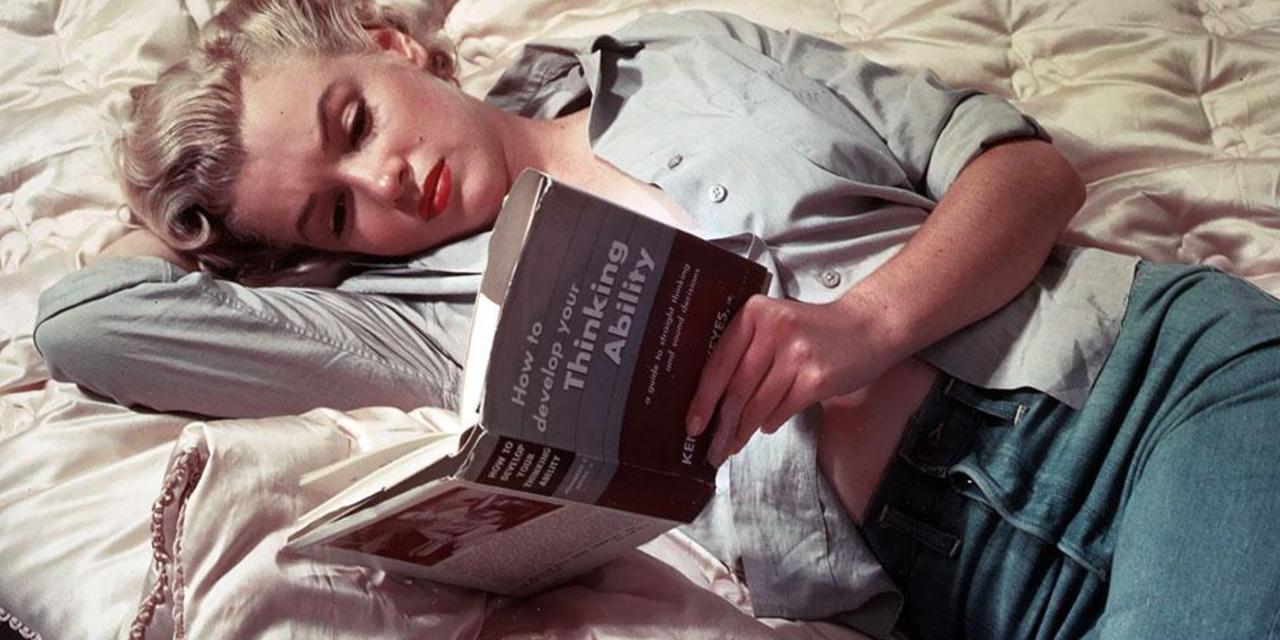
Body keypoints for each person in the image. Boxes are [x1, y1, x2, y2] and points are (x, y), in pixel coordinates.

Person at [31, 1, 1280, 638]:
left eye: (353, 122)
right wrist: (204, 215)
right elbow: (91, 325)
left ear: (391, 42)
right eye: (333, 211)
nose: (385, 182)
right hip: (971, 581)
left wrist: (862, 322)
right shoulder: (408, 316)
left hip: (1147, 385)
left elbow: (1020, 167)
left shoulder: (675, 53)